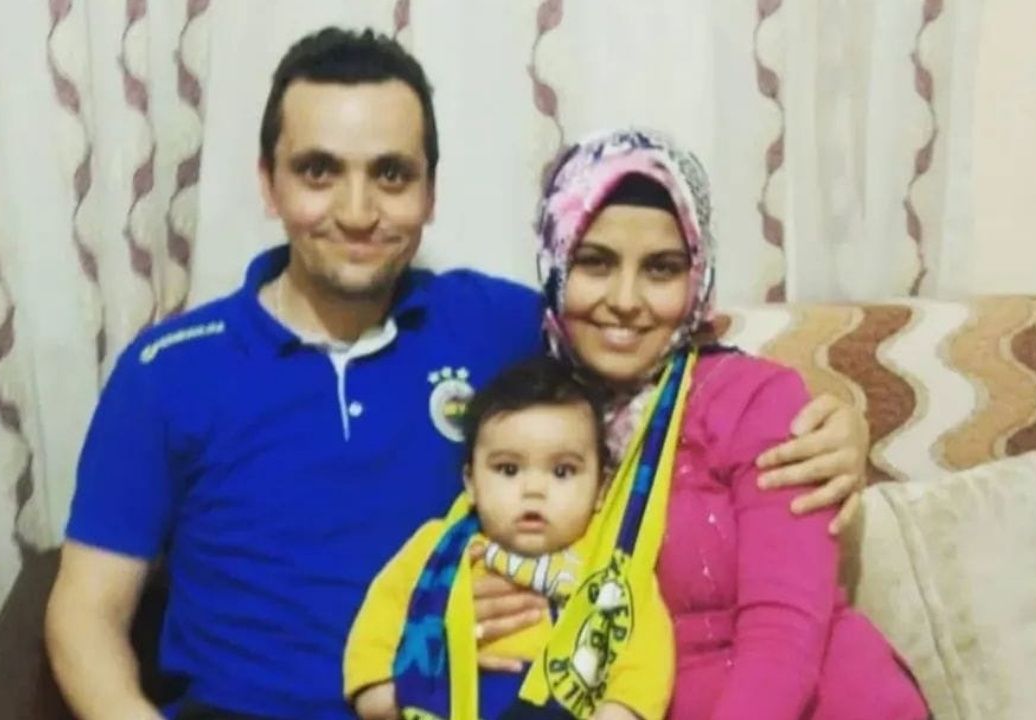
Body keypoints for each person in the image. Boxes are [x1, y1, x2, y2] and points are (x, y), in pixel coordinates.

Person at [45, 27, 870, 719]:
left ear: (431, 192)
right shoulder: (168, 372)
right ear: (269, 182)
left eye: (391, 174)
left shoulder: (496, 325)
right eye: (319, 170)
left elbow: (652, 343)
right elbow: (85, 613)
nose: (358, 211)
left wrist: (840, 420)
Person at [531, 128, 929, 719]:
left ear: (697, 277)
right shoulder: (526, 416)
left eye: (661, 269)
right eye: (595, 262)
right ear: (555, 261)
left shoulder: (756, 402)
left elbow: (783, 637)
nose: (626, 299)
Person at [344, 357, 673, 720]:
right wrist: (394, 692)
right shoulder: (437, 549)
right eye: (508, 469)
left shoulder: (612, 562)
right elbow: (378, 629)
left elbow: (646, 656)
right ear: (471, 482)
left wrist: (618, 710)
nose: (534, 489)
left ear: (600, 488)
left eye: (563, 471)